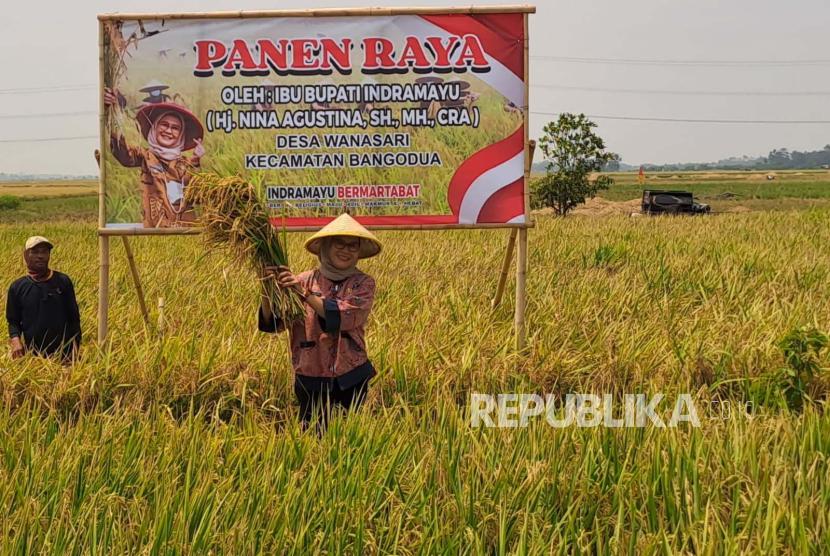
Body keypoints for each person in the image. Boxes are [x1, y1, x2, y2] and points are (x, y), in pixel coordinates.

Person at [258, 214, 382, 431]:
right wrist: (267, 290)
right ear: (325, 246)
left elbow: (347, 316)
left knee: (351, 437)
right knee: (312, 436)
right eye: (339, 244)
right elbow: (274, 324)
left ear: (360, 252)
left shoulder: (363, 283)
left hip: (351, 377)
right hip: (310, 377)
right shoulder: (303, 279)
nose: (346, 250)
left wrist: (304, 294)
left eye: (353, 246)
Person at [104, 87, 206, 228]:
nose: (168, 131)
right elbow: (124, 154)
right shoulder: (146, 156)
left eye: (175, 128)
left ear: (181, 135)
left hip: (186, 234)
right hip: (155, 232)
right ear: (154, 128)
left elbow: (199, 194)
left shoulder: (186, 164)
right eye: (164, 125)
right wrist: (112, 113)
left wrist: (195, 161)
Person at [6, 236, 81, 361]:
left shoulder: (63, 281)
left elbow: (74, 318)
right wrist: (16, 342)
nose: (40, 256)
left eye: (44, 251)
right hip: (33, 359)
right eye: (34, 252)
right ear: (25, 255)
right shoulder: (17, 287)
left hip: (64, 356)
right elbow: (13, 321)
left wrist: (75, 349)